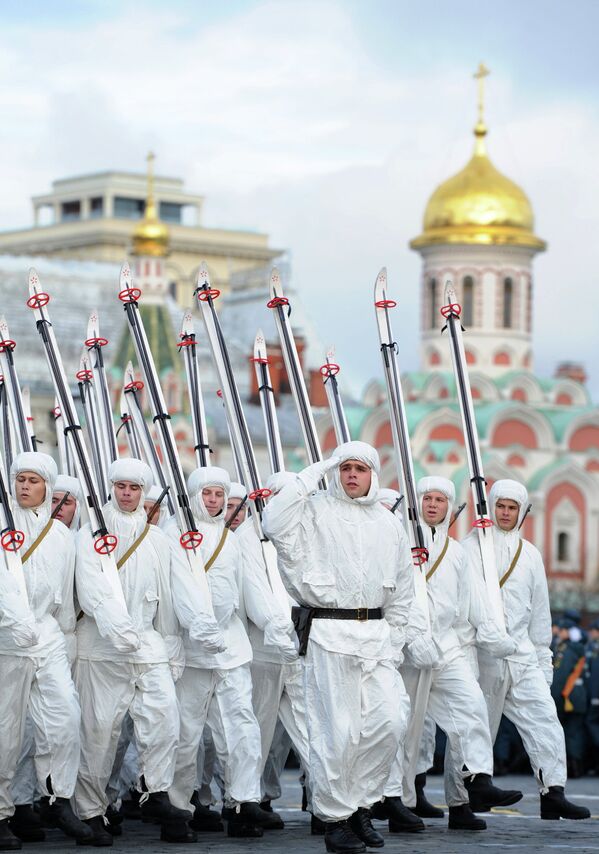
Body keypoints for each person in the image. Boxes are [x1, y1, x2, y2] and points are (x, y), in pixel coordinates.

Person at [263, 441, 417, 854]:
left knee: (389, 724)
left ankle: (360, 804)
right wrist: (316, 470)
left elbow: (403, 587)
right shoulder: (313, 512)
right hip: (331, 634)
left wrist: (396, 637)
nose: (351, 475)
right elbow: (273, 523)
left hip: (378, 637)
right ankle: (335, 817)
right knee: (338, 733)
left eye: (359, 468)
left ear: (373, 475)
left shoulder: (389, 525)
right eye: (344, 467)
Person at [377, 476, 522, 834]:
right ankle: (396, 798)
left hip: (447, 648)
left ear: (449, 506)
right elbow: (392, 595)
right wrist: (413, 636)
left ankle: (478, 779)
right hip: (406, 651)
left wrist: (492, 634)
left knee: (471, 707)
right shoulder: (398, 542)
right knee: (404, 728)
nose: (432, 505)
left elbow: (472, 601)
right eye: (427, 498)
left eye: (440, 500)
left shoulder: (456, 551)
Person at [74, 458, 194, 846]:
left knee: (164, 718)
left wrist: (171, 642)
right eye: (121, 487)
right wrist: (115, 627)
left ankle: (155, 790)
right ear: (112, 487)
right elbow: (91, 587)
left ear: (144, 492)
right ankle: (90, 811)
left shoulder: (157, 538)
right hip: (102, 645)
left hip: (147, 642)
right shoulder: (92, 532)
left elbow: (169, 593)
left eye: (134, 488)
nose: (126, 494)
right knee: (99, 731)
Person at [462, 479, 590, 820]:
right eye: (500, 506)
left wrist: (543, 658)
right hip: (484, 655)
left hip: (523, 657)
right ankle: (462, 803)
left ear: (522, 512)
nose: (505, 513)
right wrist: (493, 641)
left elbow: (540, 612)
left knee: (545, 722)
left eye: (512, 508)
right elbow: (471, 605)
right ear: (491, 507)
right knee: (476, 728)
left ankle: (554, 791)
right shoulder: (471, 547)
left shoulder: (531, 554)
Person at [167, 466, 270, 841]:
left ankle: (243, 800)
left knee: (241, 726)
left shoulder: (233, 539)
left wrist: (272, 620)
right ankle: (178, 806)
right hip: (193, 650)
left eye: (219, 496)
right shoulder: (176, 534)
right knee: (184, 731)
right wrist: (200, 625)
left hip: (230, 645)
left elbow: (251, 587)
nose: (213, 502)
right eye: (207, 494)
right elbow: (181, 585)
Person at [0, 452, 92, 850]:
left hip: (49, 636)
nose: (24, 487)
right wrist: (16, 621)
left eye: (33, 481)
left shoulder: (61, 536)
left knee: (66, 716)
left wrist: (66, 638)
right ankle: (3, 811)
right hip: (6, 637)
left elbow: (68, 593)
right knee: (6, 732)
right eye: (20, 479)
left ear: (48, 487)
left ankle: (58, 796)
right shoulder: (3, 523)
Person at [237, 470, 311, 830]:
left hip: (300, 650)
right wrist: (275, 625)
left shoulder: (303, 536)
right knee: (256, 733)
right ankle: (244, 801)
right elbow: (255, 591)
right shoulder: (247, 537)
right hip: (263, 649)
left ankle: (329, 804)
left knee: (311, 731)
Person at [551, 618, 587, 778]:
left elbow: (561, 676)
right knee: (574, 732)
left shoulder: (568, 648)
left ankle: (574, 767)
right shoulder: (576, 647)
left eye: (563, 629)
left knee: (571, 733)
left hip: (568, 697)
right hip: (575, 696)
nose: (560, 631)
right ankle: (576, 765)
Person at [585, 618, 599, 773]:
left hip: (596, 698)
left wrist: (595, 697)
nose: (591, 633)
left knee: (592, 726)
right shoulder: (592, 647)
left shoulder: (596, 648)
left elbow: (595, 675)